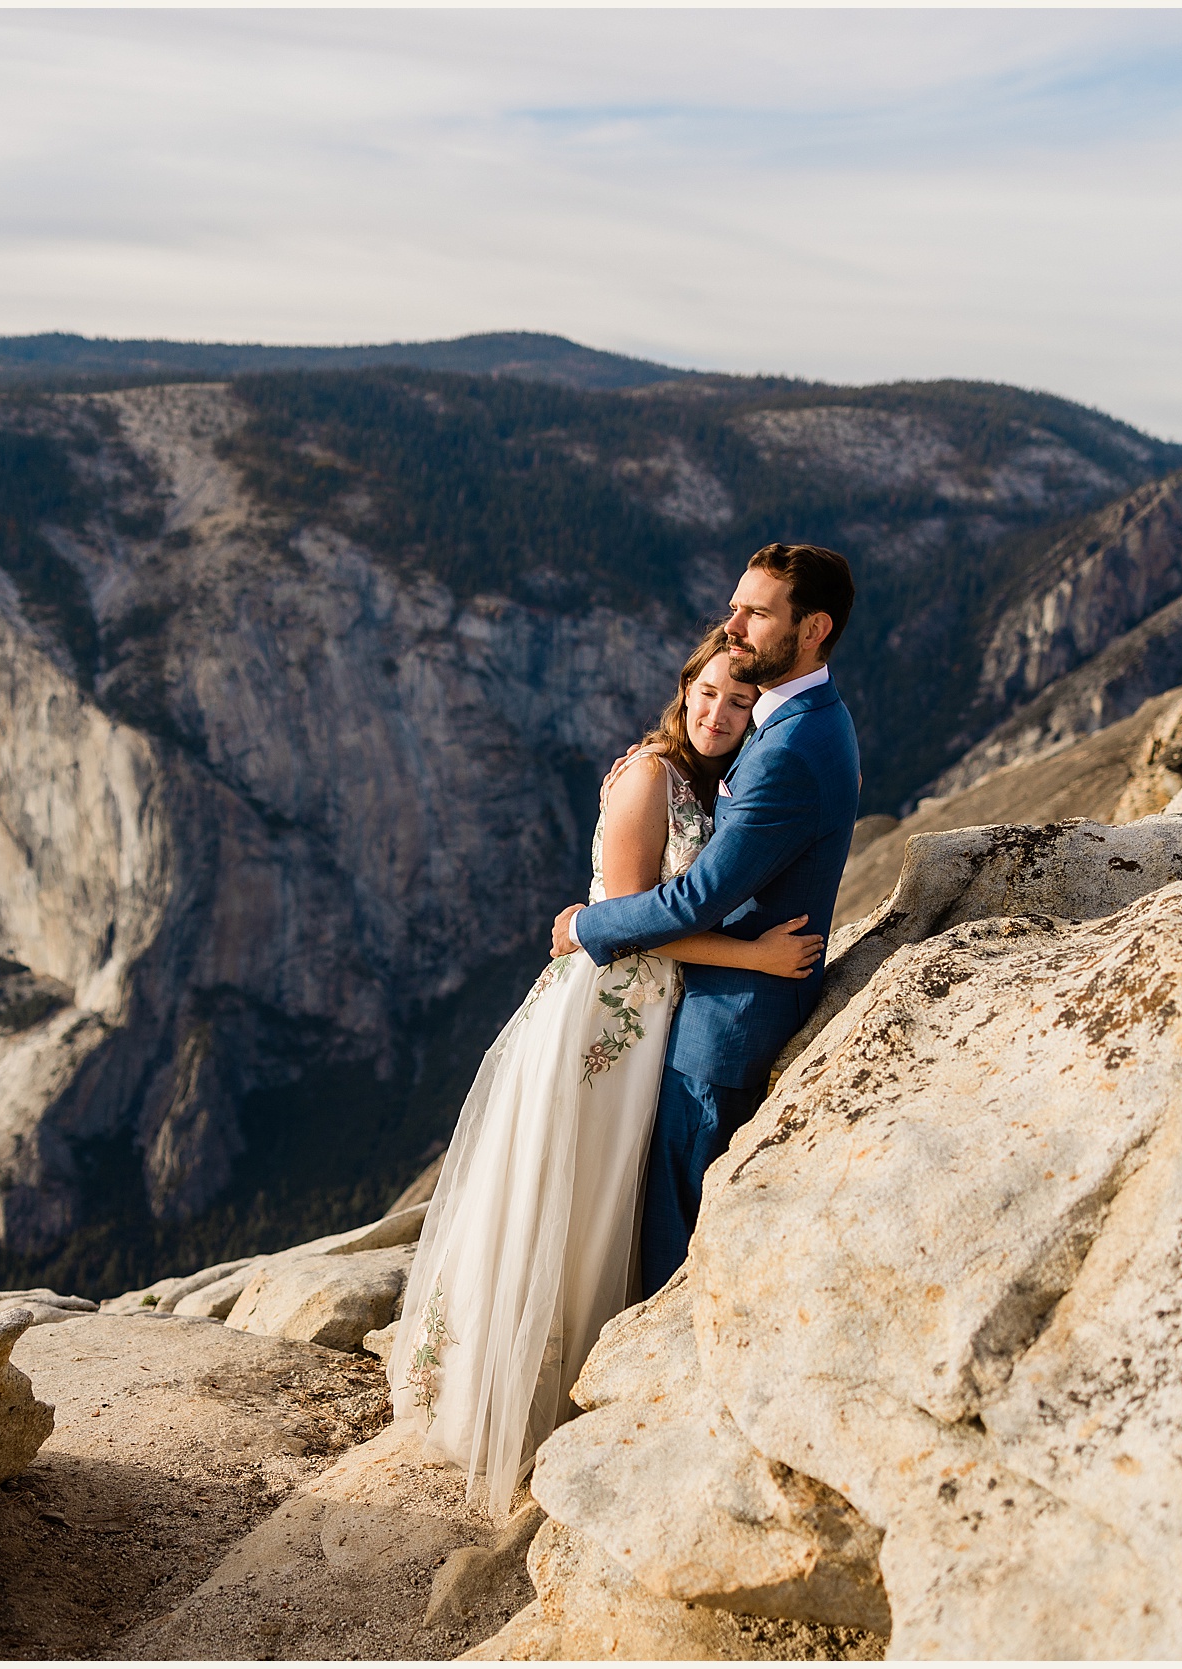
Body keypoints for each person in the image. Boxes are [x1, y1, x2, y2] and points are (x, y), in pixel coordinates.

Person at [388, 627, 824, 1519]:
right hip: (603, 1017)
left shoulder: (711, 782)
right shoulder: (648, 778)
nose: (717, 712)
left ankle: (571, 1384)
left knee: (599, 1203)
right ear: (683, 690)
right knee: (566, 1190)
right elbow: (629, 921)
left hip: (646, 1021)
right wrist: (758, 959)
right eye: (706, 693)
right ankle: (500, 1401)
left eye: (739, 703)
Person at [557, 543, 860, 1297]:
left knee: (673, 1249)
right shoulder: (798, 717)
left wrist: (587, 926)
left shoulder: (792, 744)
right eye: (735, 606)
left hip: (723, 1032)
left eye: (756, 613)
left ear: (814, 627)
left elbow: (698, 900)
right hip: (704, 1004)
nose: (732, 625)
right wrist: (656, 767)